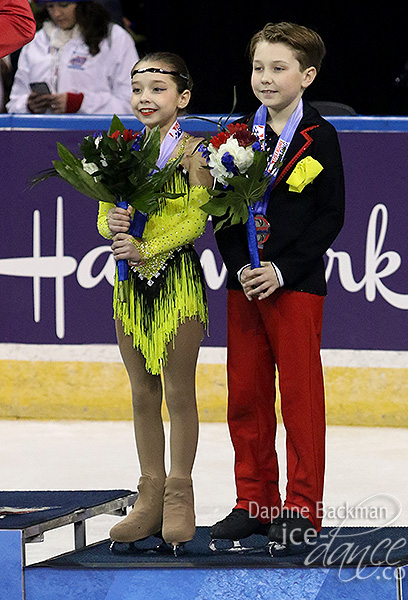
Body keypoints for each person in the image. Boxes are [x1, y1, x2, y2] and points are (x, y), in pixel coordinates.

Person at [210, 22, 345, 550]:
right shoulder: (236, 136)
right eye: (258, 68)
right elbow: (222, 213)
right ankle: (255, 501)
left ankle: (302, 507)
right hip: (244, 285)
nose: (265, 78)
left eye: (278, 68)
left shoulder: (320, 136)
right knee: (245, 396)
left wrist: (282, 270)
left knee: (300, 397)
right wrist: (242, 266)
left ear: (307, 76)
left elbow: (330, 217)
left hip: (295, 285)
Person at [97, 52, 212, 553]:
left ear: (182, 98)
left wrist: (150, 246)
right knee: (142, 392)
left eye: (158, 89)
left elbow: (196, 219)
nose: (146, 98)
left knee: (177, 389)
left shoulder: (194, 153)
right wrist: (114, 229)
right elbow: (105, 212)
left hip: (176, 281)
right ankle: (149, 494)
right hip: (130, 286)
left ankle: (179, 493)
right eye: (138, 88)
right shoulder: (119, 150)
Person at [6, 0, 138, 114]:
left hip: (98, 136)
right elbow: (14, 103)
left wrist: (81, 104)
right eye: (50, 6)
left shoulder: (114, 38)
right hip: (45, 136)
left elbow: (132, 103)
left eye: (64, 5)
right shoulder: (36, 42)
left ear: (82, 4)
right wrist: (29, 106)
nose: (57, 13)